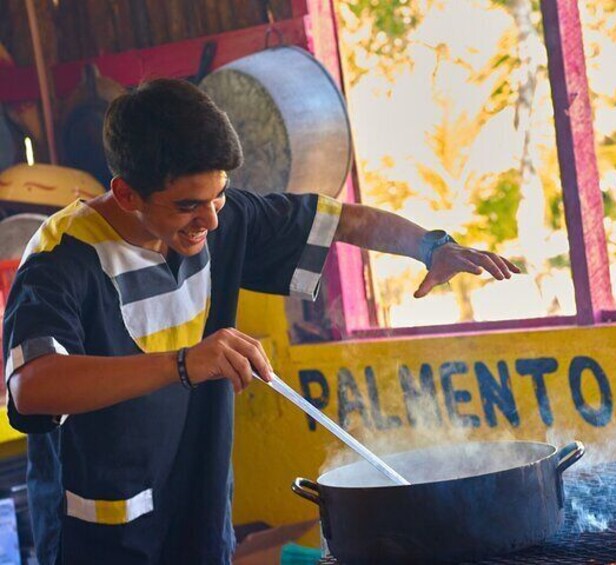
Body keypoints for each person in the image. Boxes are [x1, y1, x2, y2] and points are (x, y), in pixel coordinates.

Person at [2, 78, 519, 564]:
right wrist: (184, 363)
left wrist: (432, 246)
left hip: (198, 514)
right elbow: (33, 387)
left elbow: (342, 219)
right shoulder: (61, 258)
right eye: (188, 205)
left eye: (219, 196)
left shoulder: (214, 222)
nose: (210, 220)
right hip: (100, 530)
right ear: (127, 194)